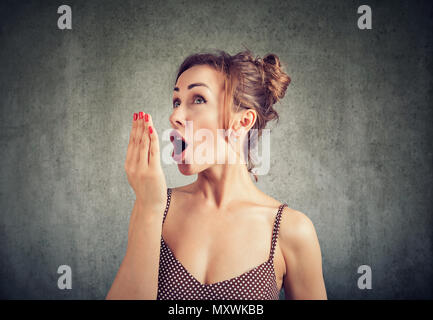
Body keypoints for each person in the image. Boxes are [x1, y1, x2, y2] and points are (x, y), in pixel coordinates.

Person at [106, 49, 327, 300]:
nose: (174, 116)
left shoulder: (291, 230)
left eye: (198, 99)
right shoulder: (156, 206)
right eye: (176, 102)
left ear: (242, 122)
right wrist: (149, 207)